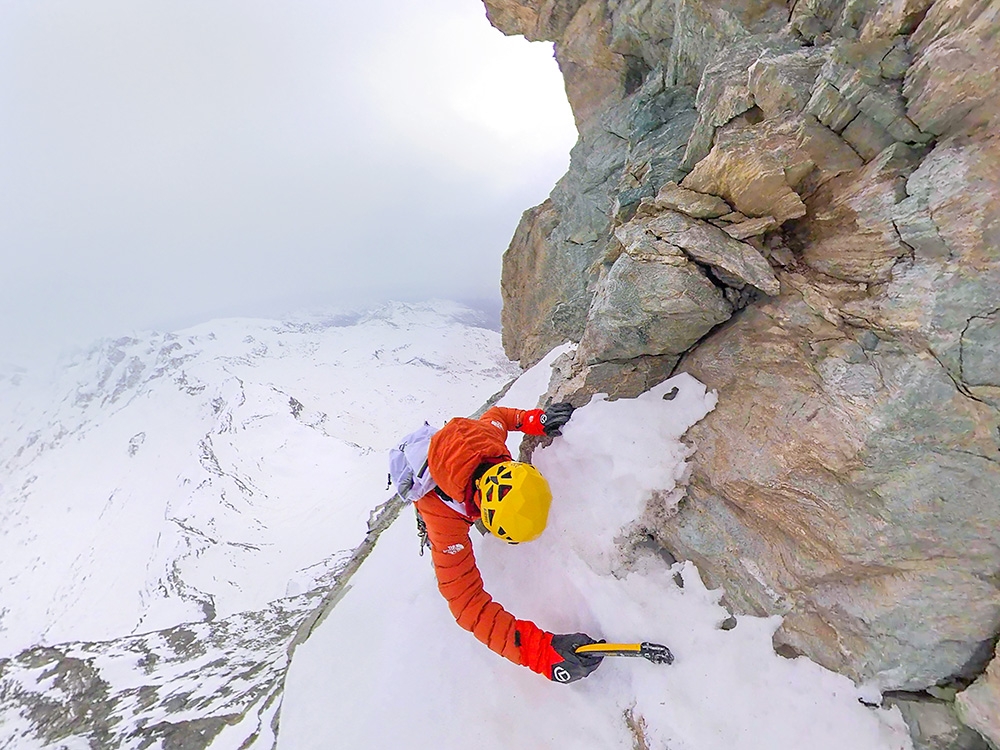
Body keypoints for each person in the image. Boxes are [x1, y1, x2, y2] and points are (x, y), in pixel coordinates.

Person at [415, 402, 605, 684]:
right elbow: (468, 606)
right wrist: (541, 652)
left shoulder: (488, 438)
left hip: (460, 447)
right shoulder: (443, 520)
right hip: (432, 477)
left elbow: (501, 417)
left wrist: (535, 420)